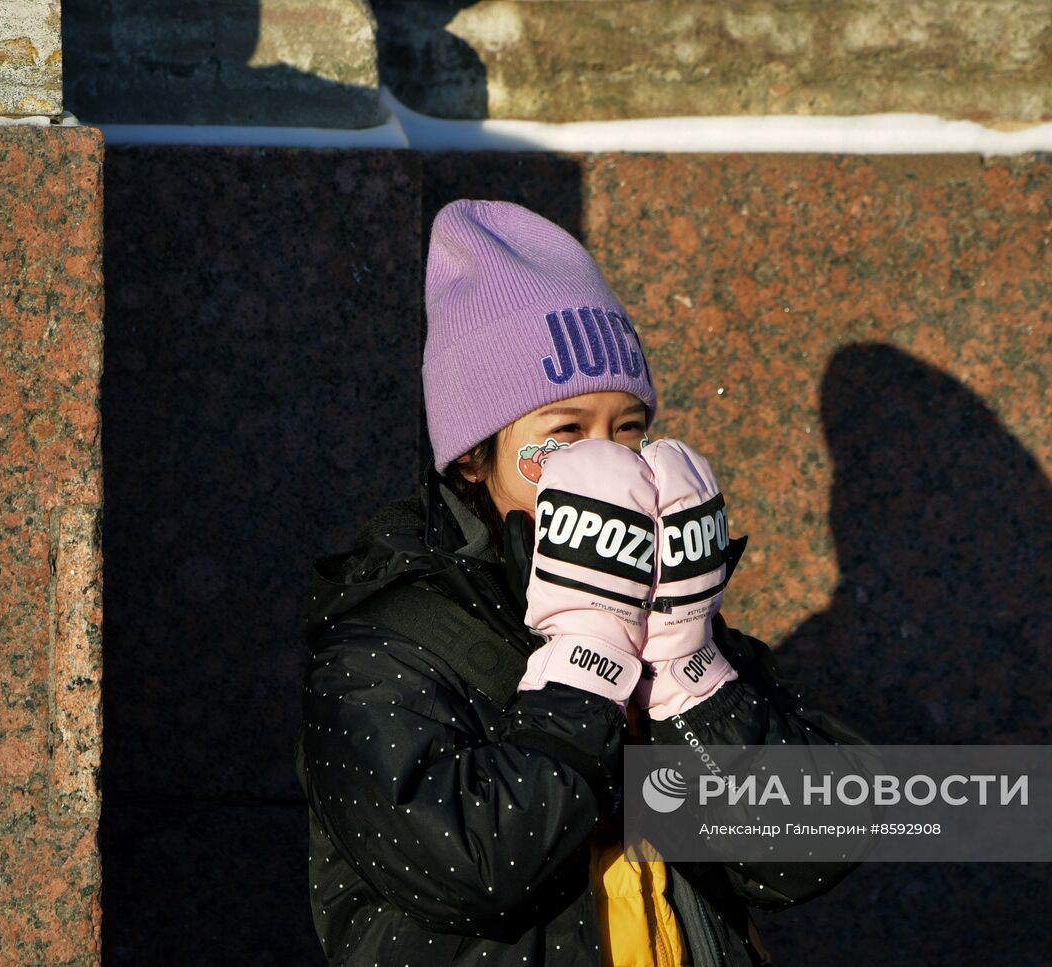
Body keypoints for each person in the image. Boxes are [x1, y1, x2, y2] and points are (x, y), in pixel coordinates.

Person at [296, 200, 868, 966]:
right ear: (474, 456)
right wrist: (590, 659)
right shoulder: (380, 648)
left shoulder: (667, 606)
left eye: (627, 429)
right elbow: (482, 867)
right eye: (565, 433)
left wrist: (687, 667)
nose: (608, 465)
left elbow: (811, 845)